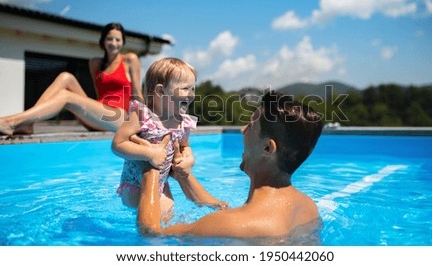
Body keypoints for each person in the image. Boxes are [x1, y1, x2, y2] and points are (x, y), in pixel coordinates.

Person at [137, 91, 323, 238]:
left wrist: (152, 165)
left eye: (250, 126)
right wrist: (183, 176)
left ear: (268, 148)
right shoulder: (308, 208)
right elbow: (227, 211)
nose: (243, 130)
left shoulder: (232, 225)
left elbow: (152, 233)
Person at [111, 57, 226, 215]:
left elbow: (185, 146)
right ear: (160, 91)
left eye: (193, 88)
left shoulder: (183, 122)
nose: (191, 94)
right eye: (185, 88)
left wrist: (188, 159)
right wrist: (150, 153)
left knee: (169, 213)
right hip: (135, 185)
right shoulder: (142, 115)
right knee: (147, 220)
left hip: (162, 183)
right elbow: (118, 144)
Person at [0, 22, 142, 135]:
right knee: (65, 77)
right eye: (109, 38)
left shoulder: (130, 60)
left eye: (118, 39)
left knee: (66, 96)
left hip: (119, 118)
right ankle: (28, 123)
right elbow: (99, 96)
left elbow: (137, 94)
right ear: (103, 41)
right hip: (97, 116)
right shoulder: (95, 63)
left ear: (123, 42)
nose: (113, 43)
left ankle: (13, 121)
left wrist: (142, 124)